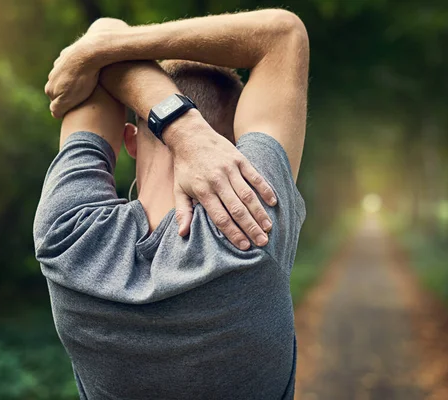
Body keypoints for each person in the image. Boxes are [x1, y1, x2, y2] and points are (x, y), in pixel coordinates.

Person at [35, 9, 309, 400]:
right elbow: (284, 35)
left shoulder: (68, 238)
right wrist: (192, 133)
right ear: (235, 147)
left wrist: (178, 127)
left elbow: (101, 36)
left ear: (129, 140)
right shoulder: (252, 223)